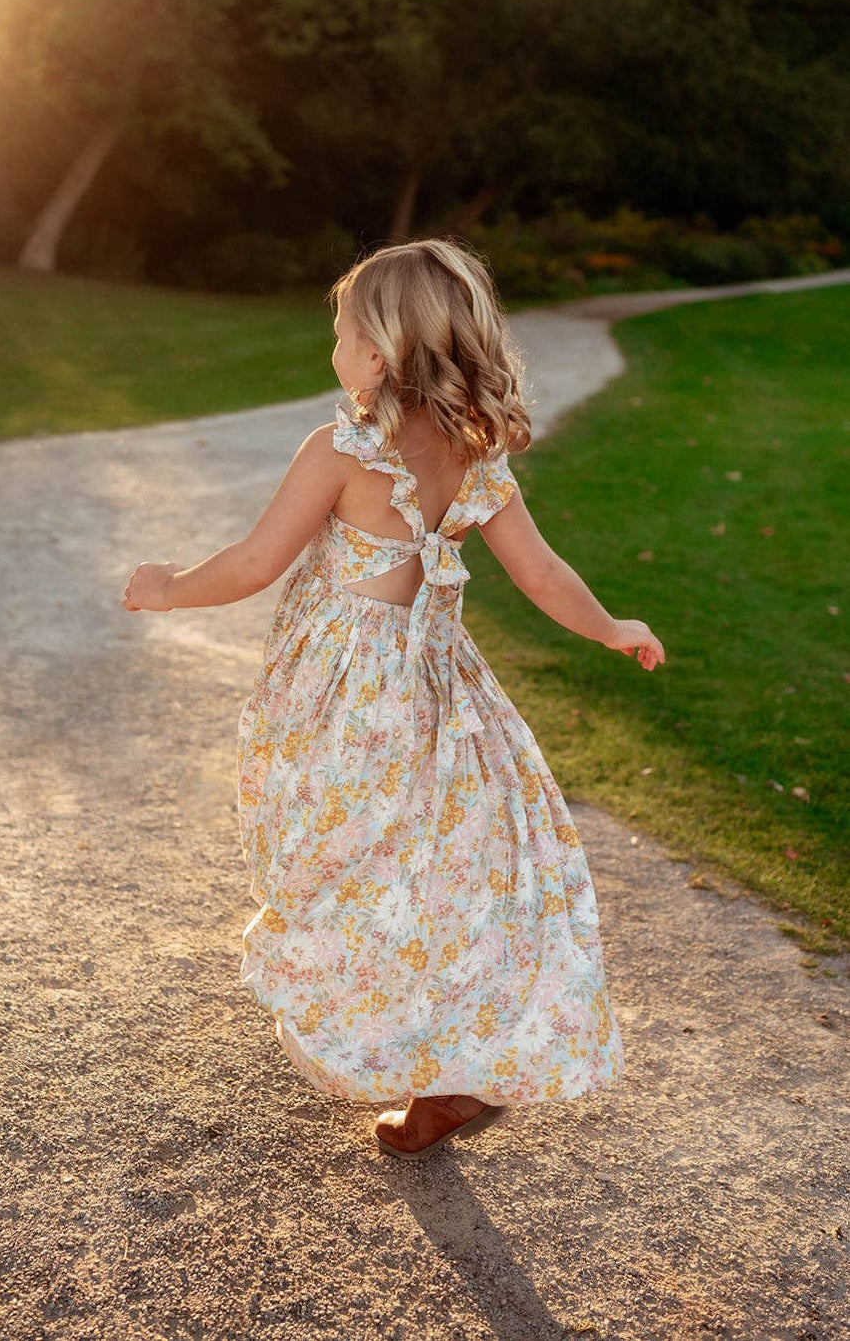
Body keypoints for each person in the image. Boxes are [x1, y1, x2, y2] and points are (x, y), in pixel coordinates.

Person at [121, 236, 665, 1161]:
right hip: (437, 694)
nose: (333, 345)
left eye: (340, 330)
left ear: (375, 353)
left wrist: (168, 585)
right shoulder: (473, 455)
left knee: (344, 866)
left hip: (344, 698)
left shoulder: (339, 449)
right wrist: (611, 625)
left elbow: (257, 564)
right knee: (436, 871)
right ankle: (447, 1078)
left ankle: (416, 1057)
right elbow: (540, 573)